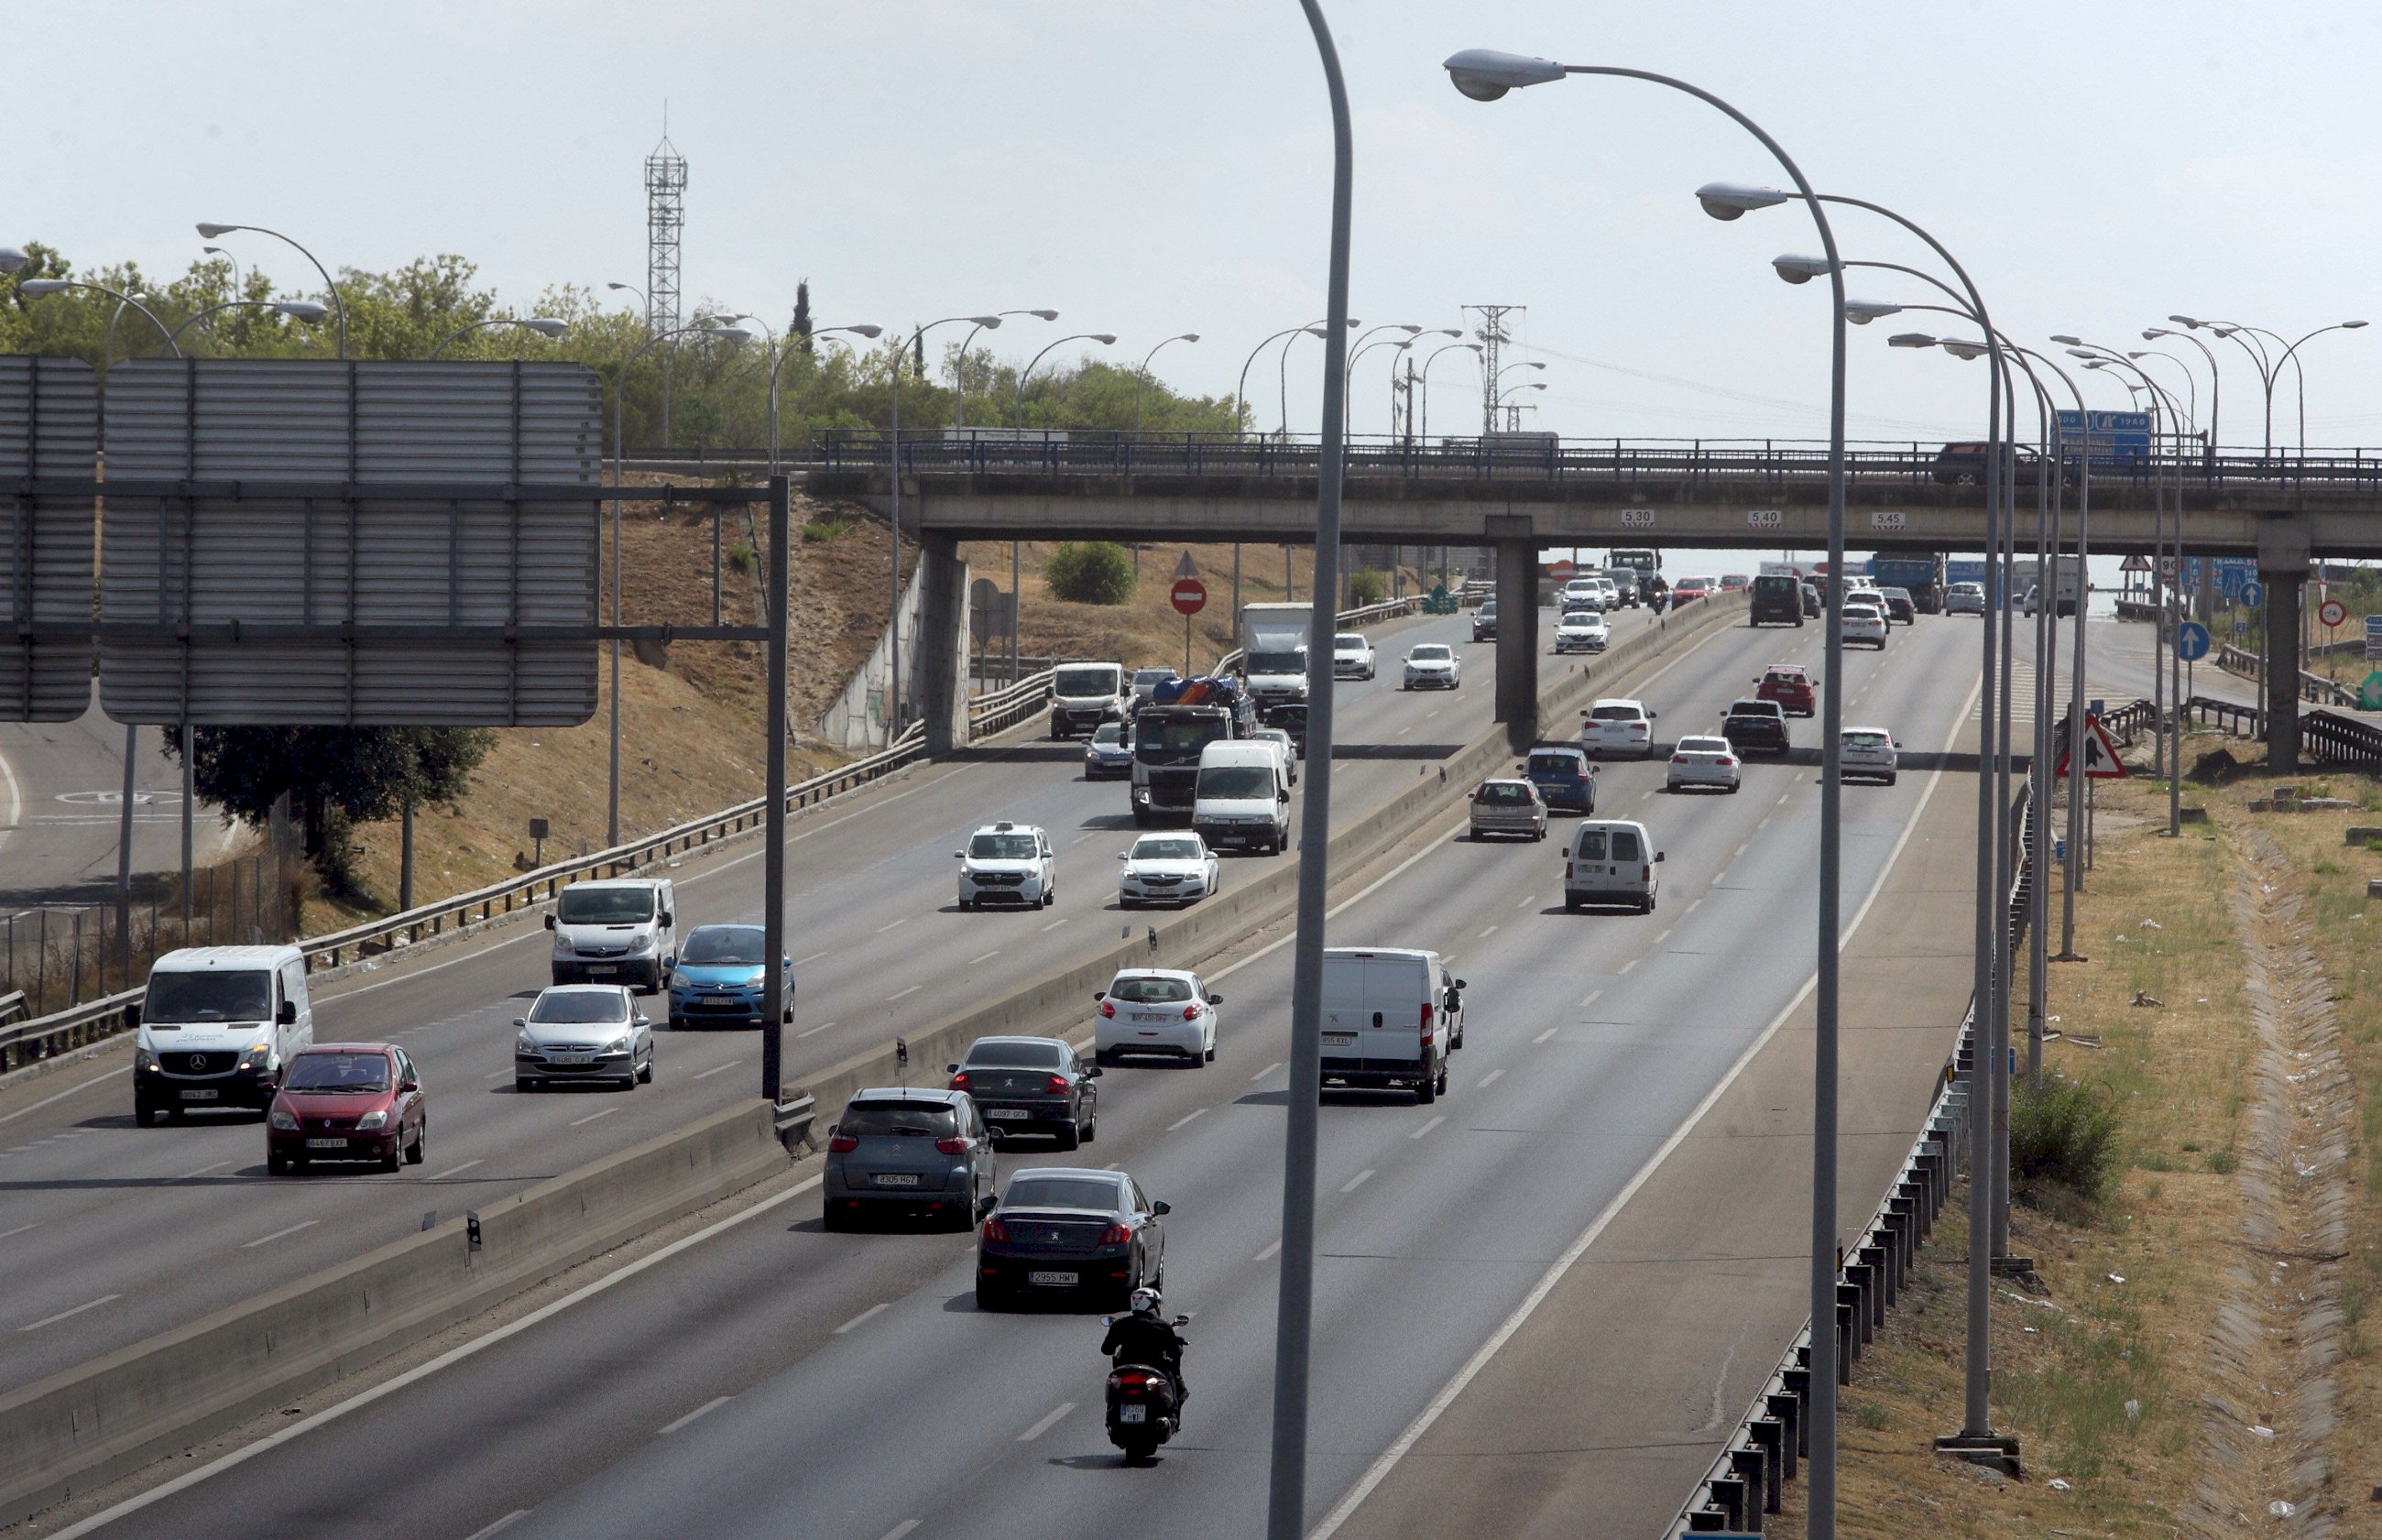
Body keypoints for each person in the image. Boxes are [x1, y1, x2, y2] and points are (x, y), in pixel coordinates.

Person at [1101, 1286, 1188, 1407]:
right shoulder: (1162, 1326)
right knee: (1175, 1386)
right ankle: (1174, 1411)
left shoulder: (1120, 1325)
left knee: (1113, 1387)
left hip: (1125, 1371)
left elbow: (1106, 1349)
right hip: (1155, 1370)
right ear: (1153, 1305)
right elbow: (1174, 1353)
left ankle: (1111, 1410)